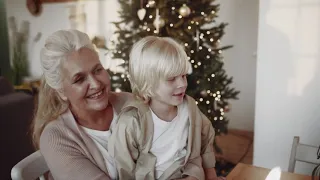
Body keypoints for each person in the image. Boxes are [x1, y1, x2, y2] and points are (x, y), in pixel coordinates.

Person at [109, 36, 224, 180]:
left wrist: (211, 175)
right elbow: (124, 168)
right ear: (147, 83)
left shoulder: (190, 109)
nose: (182, 84)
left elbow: (205, 139)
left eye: (183, 76)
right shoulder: (132, 122)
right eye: (171, 79)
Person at [31, 29, 132, 180]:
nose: (95, 84)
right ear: (61, 92)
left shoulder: (130, 103)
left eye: (97, 70)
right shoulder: (56, 137)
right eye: (79, 79)